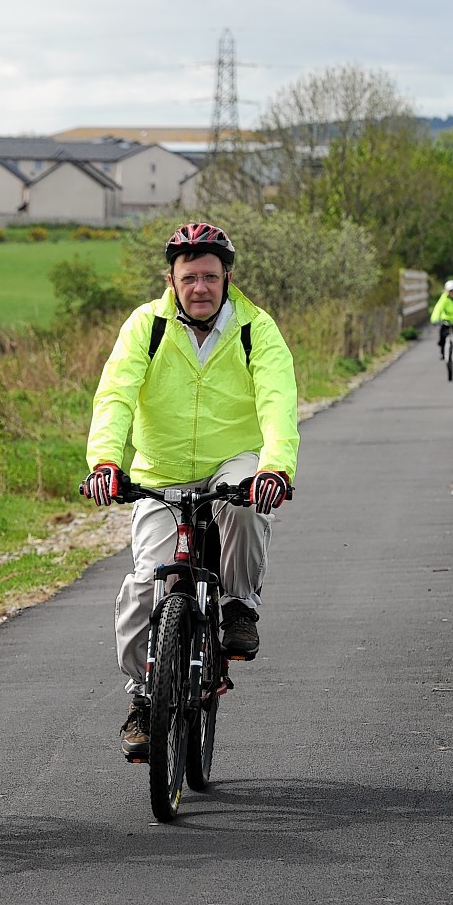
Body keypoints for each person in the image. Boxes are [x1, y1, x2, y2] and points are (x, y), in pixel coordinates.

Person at [81, 222, 299, 760]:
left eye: (209, 276)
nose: (199, 287)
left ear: (227, 277)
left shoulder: (256, 328)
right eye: (188, 278)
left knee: (248, 506)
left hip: (233, 458)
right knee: (140, 588)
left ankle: (239, 605)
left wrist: (275, 468)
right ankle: (142, 697)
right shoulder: (146, 326)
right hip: (163, 471)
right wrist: (105, 461)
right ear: (171, 280)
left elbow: (278, 401)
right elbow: (115, 395)